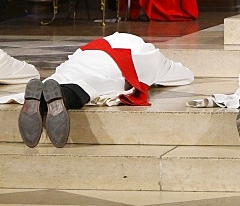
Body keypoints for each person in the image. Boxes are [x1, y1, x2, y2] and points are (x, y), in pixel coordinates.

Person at [4, 33, 193, 148]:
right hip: (113, 65)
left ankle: (43, 96)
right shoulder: (147, 53)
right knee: (91, 87)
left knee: (63, 76)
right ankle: (61, 96)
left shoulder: (94, 45)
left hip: (84, 58)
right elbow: (185, 75)